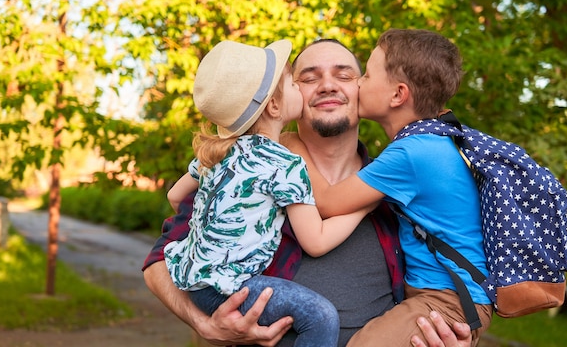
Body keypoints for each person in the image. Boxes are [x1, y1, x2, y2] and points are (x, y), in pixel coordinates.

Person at [142, 38, 473, 347]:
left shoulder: (402, 187)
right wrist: (205, 325)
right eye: (309, 77)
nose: (327, 85)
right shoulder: (244, 171)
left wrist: (451, 336)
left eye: (343, 75)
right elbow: (159, 262)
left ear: (364, 90)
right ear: (282, 99)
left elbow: (454, 285)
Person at [162, 39, 377, 347]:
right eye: (295, 82)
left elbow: (175, 197)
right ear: (274, 105)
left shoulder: (218, 151)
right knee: (320, 317)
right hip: (231, 287)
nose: (317, 87)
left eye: (343, 75)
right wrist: (365, 205)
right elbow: (315, 242)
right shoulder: (286, 165)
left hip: (194, 279)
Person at [289, 29, 493, 347]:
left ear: (397, 95)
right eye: (310, 77)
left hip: (447, 301)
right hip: (438, 297)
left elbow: (326, 203)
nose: (351, 85)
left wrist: (288, 144)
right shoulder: (425, 147)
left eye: (362, 76)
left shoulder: (408, 158)